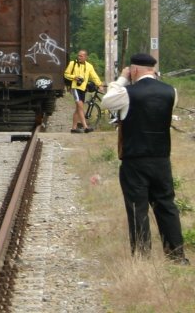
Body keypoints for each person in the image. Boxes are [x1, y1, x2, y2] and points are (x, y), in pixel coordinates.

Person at [103, 52, 189, 264]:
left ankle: (142, 256)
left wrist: (121, 79)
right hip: (161, 159)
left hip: (135, 160)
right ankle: (177, 255)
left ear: (134, 70)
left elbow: (106, 102)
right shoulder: (171, 92)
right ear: (153, 70)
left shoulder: (127, 92)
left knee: (137, 208)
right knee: (167, 206)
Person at [64, 49, 104, 133]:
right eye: (78, 55)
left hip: (83, 89)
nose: (79, 57)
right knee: (80, 106)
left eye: (81, 56)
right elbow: (66, 74)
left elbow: (94, 76)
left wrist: (99, 84)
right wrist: (74, 77)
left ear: (86, 57)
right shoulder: (72, 63)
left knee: (78, 109)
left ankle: (73, 128)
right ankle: (85, 127)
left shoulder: (89, 66)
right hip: (75, 88)